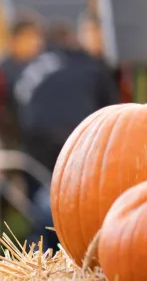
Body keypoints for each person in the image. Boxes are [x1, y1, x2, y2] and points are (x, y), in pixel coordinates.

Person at [15, 20, 119, 249]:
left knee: (42, 202)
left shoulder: (35, 67)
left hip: (37, 139)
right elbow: (113, 115)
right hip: (78, 139)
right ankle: (75, 248)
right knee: (77, 202)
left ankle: (43, 249)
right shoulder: (93, 67)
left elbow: (18, 101)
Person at [0, 13, 43, 153]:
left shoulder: (44, 67)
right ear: (14, 40)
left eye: (37, 37)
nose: (35, 42)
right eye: (28, 37)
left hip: (39, 137)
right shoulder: (3, 71)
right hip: (12, 137)